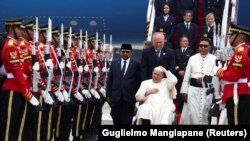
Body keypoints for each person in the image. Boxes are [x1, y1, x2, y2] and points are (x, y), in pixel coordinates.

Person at [0, 18, 39, 141]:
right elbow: (17, 73)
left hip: (20, 88)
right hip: (13, 89)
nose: (22, 31)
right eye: (18, 28)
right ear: (11, 28)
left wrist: (33, 69)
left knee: (18, 126)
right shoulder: (11, 46)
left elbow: (23, 70)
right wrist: (28, 94)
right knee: (9, 126)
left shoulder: (15, 45)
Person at [214, 24, 250, 125]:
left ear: (239, 37)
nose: (229, 38)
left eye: (232, 35)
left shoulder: (240, 52)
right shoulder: (246, 49)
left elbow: (234, 76)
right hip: (242, 92)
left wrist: (219, 71)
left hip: (237, 94)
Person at [179, 36, 216, 125]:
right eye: (201, 46)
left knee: (205, 114)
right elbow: (187, 76)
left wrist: (205, 79)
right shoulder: (192, 58)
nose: (202, 47)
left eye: (205, 46)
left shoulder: (215, 59)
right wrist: (184, 91)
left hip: (207, 91)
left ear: (210, 47)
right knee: (192, 114)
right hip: (193, 91)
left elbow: (217, 77)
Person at [106, 43, 141, 125]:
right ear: (120, 52)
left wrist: (136, 96)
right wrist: (108, 95)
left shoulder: (136, 64)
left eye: (127, 52)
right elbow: (110, 80)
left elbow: (138, 81)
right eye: (123, 51)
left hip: (129, 97)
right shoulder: (114, 63)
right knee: (115, 117)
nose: (125, 53)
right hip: (116, 96)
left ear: (131, 53)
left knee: (127, 120)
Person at [174, 36, 194, 113]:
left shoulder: (191, 52)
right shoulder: (176, 51)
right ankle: (180, 106)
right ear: (180, 42)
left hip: (187, 74)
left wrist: (185, 71)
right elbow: (175, 62)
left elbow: (191, 63)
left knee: (186, 90)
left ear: (188, 43)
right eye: (183, 41)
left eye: (186, 41)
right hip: (178, 74)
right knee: (179, 90)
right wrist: (179, 70)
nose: (185, 42)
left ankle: (185, 106)